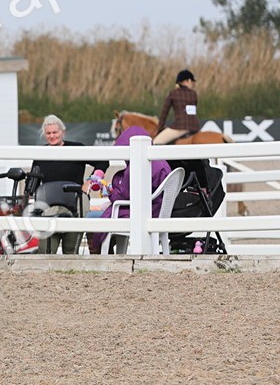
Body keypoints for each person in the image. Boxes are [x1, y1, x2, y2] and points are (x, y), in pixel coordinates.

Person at [29, 114, 109, 254]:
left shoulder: (76, 148)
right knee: (45, 251)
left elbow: (103, 162)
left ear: (62, 132)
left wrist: (90, 181)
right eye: (48, 133)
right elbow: (33, 183)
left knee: (71, 250)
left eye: (55, 132)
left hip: (76, 204)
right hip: (50, 207)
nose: (52, 136)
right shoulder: (41, 154)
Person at [88, 126, 171, 255]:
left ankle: (99, 253)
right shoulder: (162, 162)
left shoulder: (136, 167)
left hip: (140, 212)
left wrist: (111, 193)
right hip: (157, 209)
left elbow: (123, 195)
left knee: (92, 216)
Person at [154, 69, 200, 145]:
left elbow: (164, 113)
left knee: (156, 142)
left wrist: (160, 128)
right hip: (195, 127)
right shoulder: (194, 94)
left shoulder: (173, 94)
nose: (192, 84)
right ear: (188, 81)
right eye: (192, 82)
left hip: (180, 127)